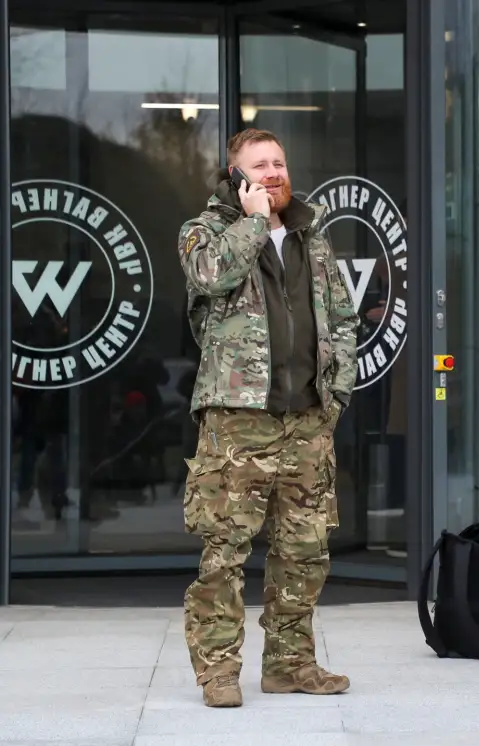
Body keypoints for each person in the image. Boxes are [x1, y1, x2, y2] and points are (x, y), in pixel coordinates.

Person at [177, 128, 360, 708]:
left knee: (304, 552)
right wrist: (254, 222)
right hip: (238, 423)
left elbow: (342, 319)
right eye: (260, 165)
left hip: (306, 420)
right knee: (224, 553)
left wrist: (336, 396)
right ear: (236, 175)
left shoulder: (313, 238)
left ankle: (290, 664)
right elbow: (211, 275)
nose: (274, 173)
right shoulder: (204, 232)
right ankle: (218, 672)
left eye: (279, 162)